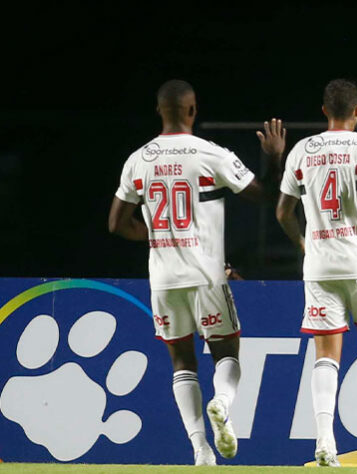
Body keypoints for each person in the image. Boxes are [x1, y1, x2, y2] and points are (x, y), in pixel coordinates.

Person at [108, 79, 287, 465]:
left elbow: (116, 223)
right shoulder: (210, 154)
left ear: (160, 110)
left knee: (182, 363)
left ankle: (200, 449)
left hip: (163, 277)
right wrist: (273, 156)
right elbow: (265, 195)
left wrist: (157, 236)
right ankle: (221, 402)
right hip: (206, 273)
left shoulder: (138, 159)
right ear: (192, 110)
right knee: (227, 354)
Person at [276, 79, 357, 467]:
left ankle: (326, 443)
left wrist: (302, 244)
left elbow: (283, 212)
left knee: (325, 357)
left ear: (324, 110)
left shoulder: (302, 150)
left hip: (320, 265)